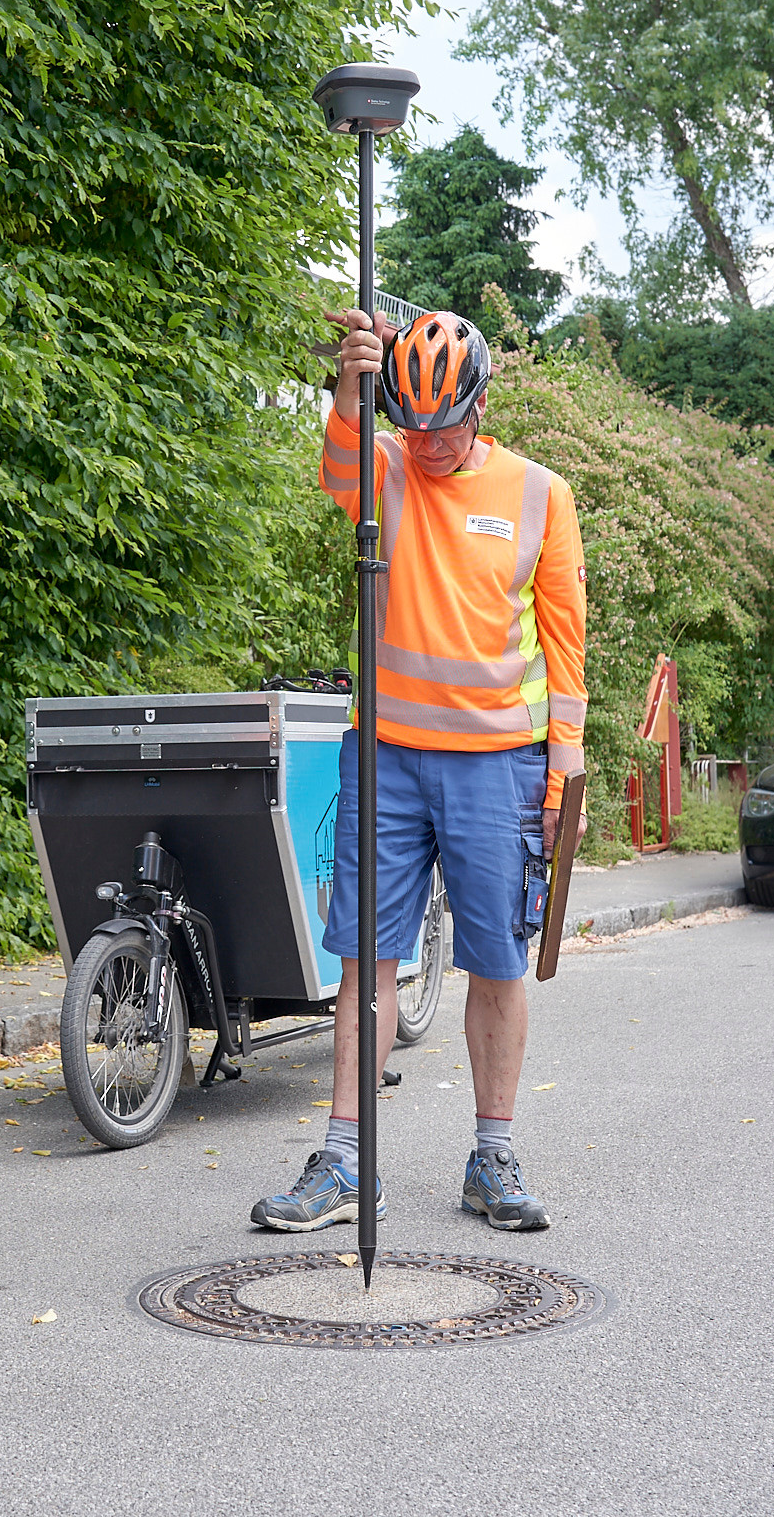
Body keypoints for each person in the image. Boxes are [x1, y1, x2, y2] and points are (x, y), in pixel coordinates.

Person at [249, 307, 587, 1236]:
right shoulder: (384, 466)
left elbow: (565, 647)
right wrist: (353, 384)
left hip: (498, 767)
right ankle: (347, 1161)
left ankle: (493, 1154)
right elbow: (336, 465)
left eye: (445, 425)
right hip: (387, 756)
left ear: (480, 405)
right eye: (412, 421)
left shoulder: (538, 494)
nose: (428, 442)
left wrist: (565, 779)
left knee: (496, 959)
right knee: (366, 958)